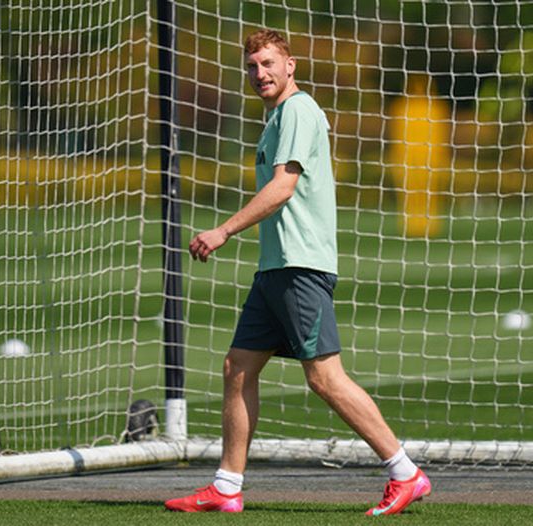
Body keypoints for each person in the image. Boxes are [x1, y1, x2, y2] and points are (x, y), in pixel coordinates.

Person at [165, 29, 431, 516]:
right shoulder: (276, 117)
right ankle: (227, 487)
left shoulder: (297, 111)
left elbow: (283, 188)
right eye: (251, 66)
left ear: (290, 66)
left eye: (268, 63)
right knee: (238, 368)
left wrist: (223, 230)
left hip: (299, 266)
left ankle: (405, 472)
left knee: (325, 378)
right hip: (276, 268)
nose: (259, 73)